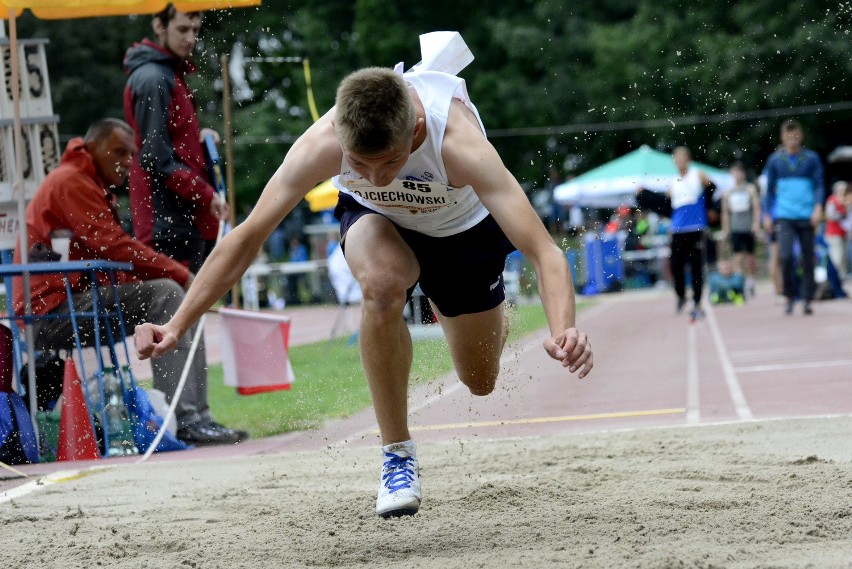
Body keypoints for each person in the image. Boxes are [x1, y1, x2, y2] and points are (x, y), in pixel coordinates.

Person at [135, 44, 593, 518]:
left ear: (415, 131)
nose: (375, 175)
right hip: (378, 223)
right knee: (382, 284)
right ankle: (397, 456)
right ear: (339, 135)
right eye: (360, 164)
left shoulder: (457, 142)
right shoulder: (323, 142)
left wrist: (564, 329)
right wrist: (177, 325)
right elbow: (248, 237)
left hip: (460, 232)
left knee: (480, 380)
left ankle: (479, 311)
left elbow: (543, 252)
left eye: (390, 163)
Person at [12, 118, 247, 447]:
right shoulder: (71, 181)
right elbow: (114, 246)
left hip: (69, 302)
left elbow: (110, 252)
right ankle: (185, 418)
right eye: (119, 152)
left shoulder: (88, 182)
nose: (127, 162)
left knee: (175, 294)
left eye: (131, 154)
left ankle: (195, 416)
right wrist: (179, 271)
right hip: (50, 314)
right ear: (92, 147)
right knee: (169, 292)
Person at [123, 3, 228, 273]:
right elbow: (156, 156)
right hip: (165, 225)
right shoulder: (154, 78)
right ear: (160, 26)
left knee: (189, 309)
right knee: (176, 311)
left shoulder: (169, 73)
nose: (190, 38)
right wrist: (207, 195)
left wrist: (198, 137)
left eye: (195, 30)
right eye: (182, 29)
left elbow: (170, 141)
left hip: (181, 219)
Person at [762, 119, 824, 315]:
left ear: (801, 136)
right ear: (783, 138)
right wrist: (766, 214)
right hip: (785, 216)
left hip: (806, 215)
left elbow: (820, 185)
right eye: (788, 137)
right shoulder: (775, 161)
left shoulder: (811, 158)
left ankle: (807, 298)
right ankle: (789, 295)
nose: (792, 140)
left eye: (796, 136)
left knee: (808, 258)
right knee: (786, 257)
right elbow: (769, 191)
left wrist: (818, 208)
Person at [667, 146, 715, 320]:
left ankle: (697, 300)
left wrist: (709, 210)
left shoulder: (698, 174)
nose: (680, 162)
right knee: (676, 265)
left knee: (696, 267)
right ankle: (680, 296)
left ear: (688, 159)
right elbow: (670, 205)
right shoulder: (672, 180)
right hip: (678, 228)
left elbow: (711, 190)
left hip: (696, 227)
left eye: (682, 159)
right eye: (677, 160)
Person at [719, 161, 761, 296]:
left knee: (750, 257)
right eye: (734, 172)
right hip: (735, 227)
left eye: (739, 172)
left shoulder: (750, 189)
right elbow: (725, 212)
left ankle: (751, 280)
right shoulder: (727, 192)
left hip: (748, 227)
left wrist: (756, 224)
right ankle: (739, 281)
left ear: (743, 174)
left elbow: (756, 208)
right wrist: (725, 229)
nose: (737, 175)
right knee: (737, 256)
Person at [824, 180, 849, 279]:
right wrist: (842, 215)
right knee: (836, 257)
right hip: (833, 234)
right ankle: (834, 279)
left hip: (843, 234)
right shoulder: (832, 200)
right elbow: (830, 215)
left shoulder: (845, 201)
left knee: (843, 258)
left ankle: (841, 279)